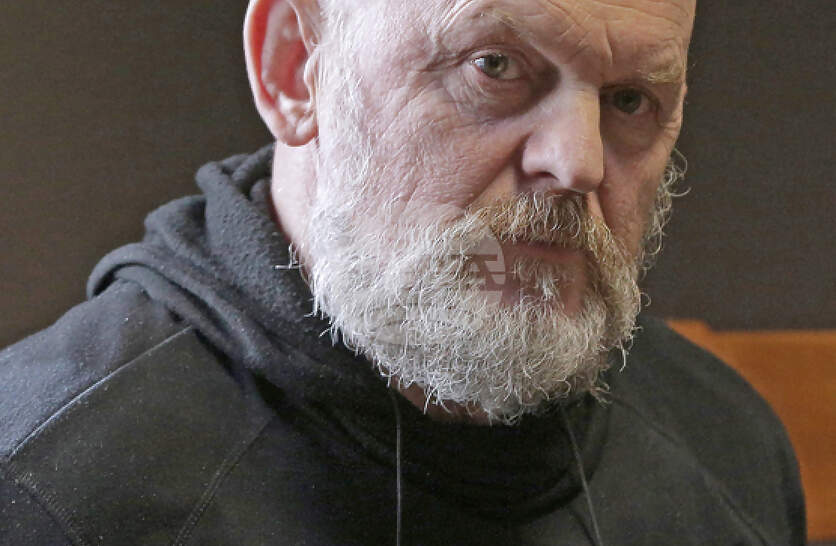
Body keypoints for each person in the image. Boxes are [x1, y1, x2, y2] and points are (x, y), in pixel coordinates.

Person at [0, 0, 805, 544]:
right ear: (296, 68)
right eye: (495, 66)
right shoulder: (48, 484)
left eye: (630, 100)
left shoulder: (726, 443)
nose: (578, 162)